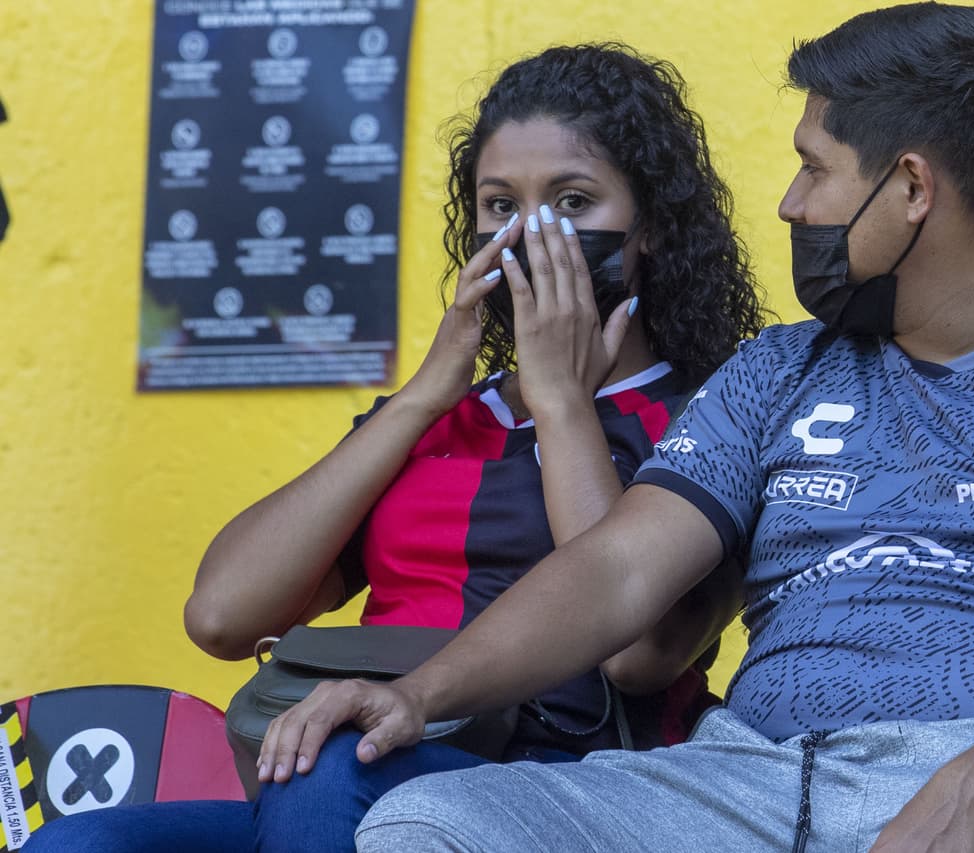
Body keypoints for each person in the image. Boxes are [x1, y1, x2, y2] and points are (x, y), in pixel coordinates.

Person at [254, 5, 974, 852]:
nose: (787, 205)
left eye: (813, 171)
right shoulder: (777, 369)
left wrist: (973, 781)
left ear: (910, 188)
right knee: (429, 821)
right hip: (748, 780)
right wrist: (419, 695)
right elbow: (616, 571)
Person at [25, 43, 767, 853]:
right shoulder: (441, 417)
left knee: (333, 767)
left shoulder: (715, 414)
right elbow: (222, 615)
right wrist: (421, 396)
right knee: (82, 841)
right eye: (499, 205)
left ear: (650, 227)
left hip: (563, 787)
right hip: (350, 773)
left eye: (574, 201)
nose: (531, 234)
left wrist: (559, 403)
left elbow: (637, 653)